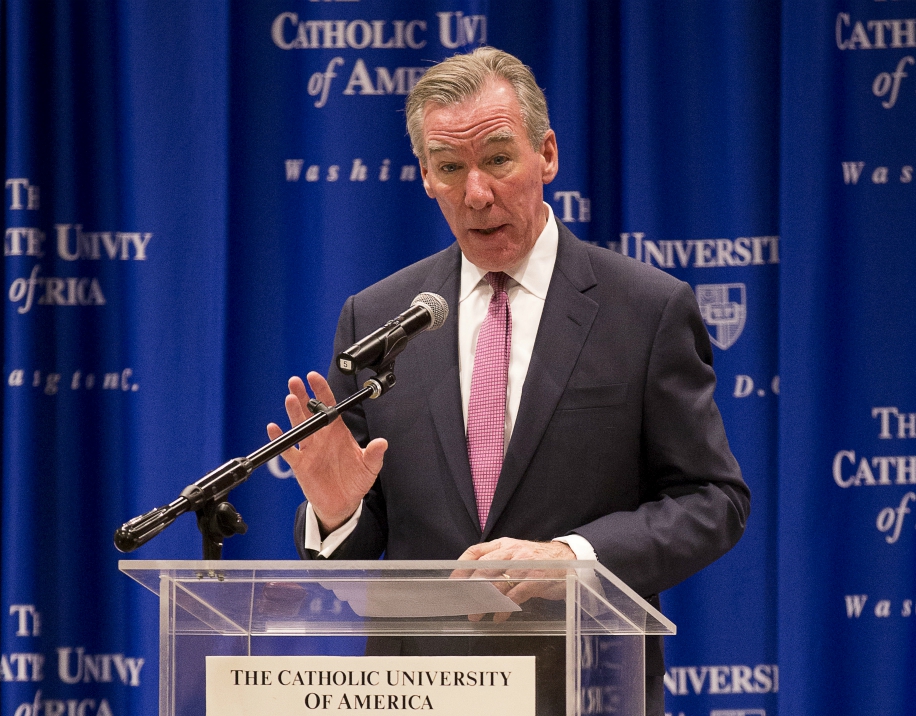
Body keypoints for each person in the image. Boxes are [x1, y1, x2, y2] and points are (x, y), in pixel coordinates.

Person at [267, 46, 750, 716]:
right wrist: (336, 511)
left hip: (584, 686)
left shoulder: (646, 309)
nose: (476, 193)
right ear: (426, 177)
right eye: (450, 167)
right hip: (418, 696)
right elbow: (362, 535)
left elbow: (712, 500)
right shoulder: (378, 318)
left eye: (498, 159)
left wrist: (573, 556)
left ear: (546, 155)